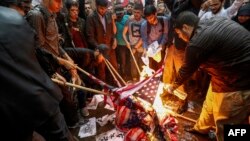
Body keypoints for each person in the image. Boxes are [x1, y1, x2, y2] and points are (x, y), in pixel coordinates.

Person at [163, 11, 250, 141]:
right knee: (209, 105)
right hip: (221, 76)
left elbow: (186, 71)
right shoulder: (210, 22)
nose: (180, 37)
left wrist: (171, 87)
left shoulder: (196, 42)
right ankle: (201, 128)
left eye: (179, 33)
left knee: (227, 122)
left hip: (237, 82)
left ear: (186, 27)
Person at [0, 0, 74, 140]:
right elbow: (37, 47)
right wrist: (52, 68)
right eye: (23, 8)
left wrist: (59, 60)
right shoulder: (22, 18)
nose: (24, 13)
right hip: (40, 95)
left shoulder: (16, 18)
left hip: (17, 108)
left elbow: (37, 49)